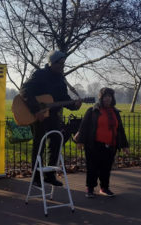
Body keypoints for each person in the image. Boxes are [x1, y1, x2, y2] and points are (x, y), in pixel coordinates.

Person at [20, 50, 82, 187]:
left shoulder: (61, 79)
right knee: (39, 145)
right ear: (52, 63)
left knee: (56, 142)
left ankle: (49, 176)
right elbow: (24, 90)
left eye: (63, 63)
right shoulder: (39, 74)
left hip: (53, 116)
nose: (62, 66)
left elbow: (64, 99)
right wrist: (36, 110)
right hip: (39, 116)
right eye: (60, 63)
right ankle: (36, 177)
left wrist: (75, 105)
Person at [74, 87, 129, 198]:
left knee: (106, 168)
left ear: (112, 98)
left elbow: (120, 129)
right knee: (92, 167)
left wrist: (124, 145)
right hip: (94, 144)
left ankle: (104, 188)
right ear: (101, 98)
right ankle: (90, 188)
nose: (107, 99)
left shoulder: (115, 112)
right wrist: (80, 141)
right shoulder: (93, 110)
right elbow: (83, 126)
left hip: (111, 145)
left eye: (109, 96)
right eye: (105, 96)